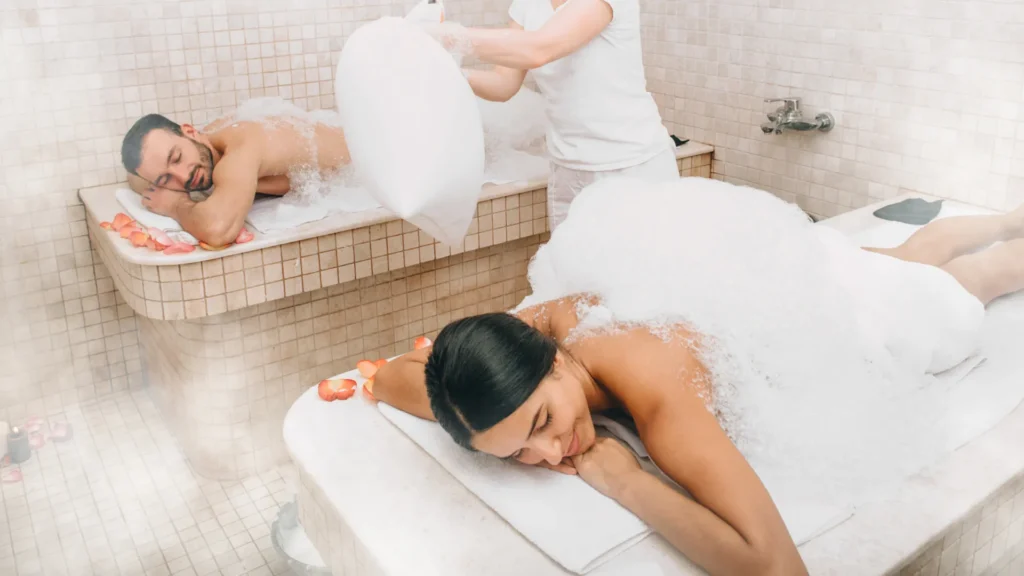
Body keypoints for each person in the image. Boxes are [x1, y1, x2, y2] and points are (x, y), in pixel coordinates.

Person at [372, 195, 1024, 575]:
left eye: (542, 425)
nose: (549, 456)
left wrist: (627, 479)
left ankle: (1003, 237)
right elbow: (400, 381)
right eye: (517, 455)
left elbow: (772, 564)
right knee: (892, 261)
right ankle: (996, 214)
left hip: (861, 325)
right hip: (803, 278)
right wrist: (384, 381)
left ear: (558, 361)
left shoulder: (649, 372)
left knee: (979, 280)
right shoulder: (520, 335)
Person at [410, 0, 679, 230]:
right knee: (571, 280)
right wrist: (451, 74)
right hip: (567, 169)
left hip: (631, 165)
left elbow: (538, 49)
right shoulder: (527, 5)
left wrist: (445, 35)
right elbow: (503, 84)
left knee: (638, 281)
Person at [119, 111, 351, 246]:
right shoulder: (205, 143)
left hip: (369, 157)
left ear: (190, 131)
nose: (183, 177)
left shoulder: (240, 148)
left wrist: (176, 205)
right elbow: (135, 178)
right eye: (164, 179)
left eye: (177, 158)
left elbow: (218, 229)